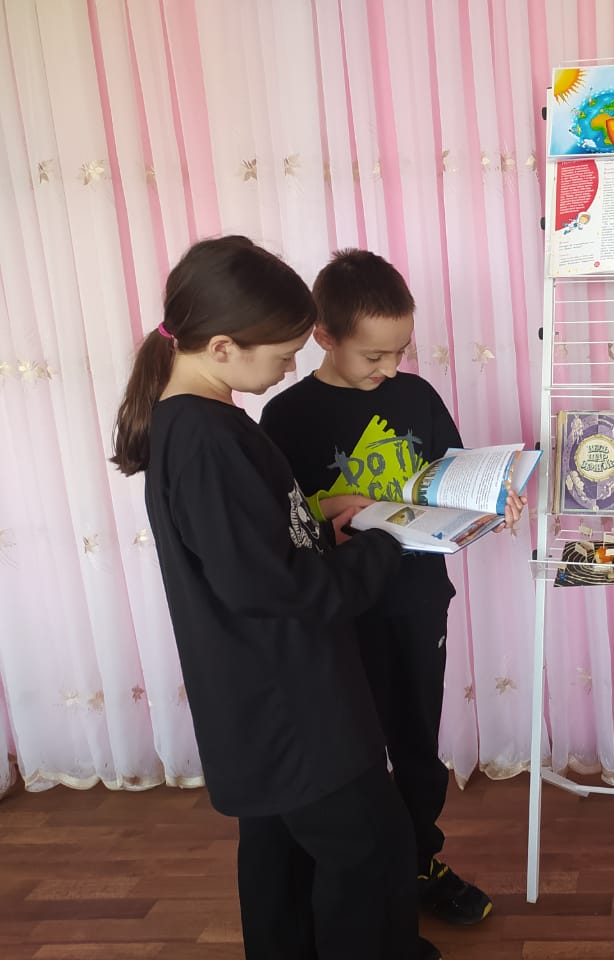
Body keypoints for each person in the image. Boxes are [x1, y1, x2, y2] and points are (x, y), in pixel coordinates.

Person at [111, 236, 433, 959]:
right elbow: (276, 588)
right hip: (291, 701)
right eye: (284, 355)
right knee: (371, 852)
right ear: (223, 347)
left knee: (280, 853)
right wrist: (388, 540)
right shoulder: (207, 439)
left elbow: (242, 545)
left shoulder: (201, 421)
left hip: (259, 695)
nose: (291, 367)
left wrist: (317, 519)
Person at [260, 249, 524, 931]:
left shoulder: (417, 397)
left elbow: (450, 479)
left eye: (400, 351)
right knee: (346, 755)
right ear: (323, 335)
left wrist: (493, 498)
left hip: (415, 600)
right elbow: (273, 523)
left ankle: (418, 862)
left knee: (415, 743)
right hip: (335, 613)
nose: (389, 368)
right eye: (372, 355)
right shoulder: (286, 416)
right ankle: (357, 877)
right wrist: (328, 511)